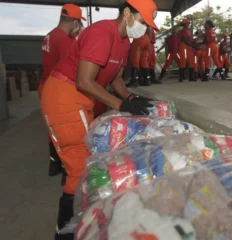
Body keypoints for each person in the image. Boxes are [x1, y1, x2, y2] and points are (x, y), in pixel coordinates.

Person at [40, 1, 158, 239]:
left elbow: (114, 79)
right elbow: (84, 81)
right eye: (143, 21)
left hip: (83, 100)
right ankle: (65, 231)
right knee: (81, 169)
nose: (144, 28)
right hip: (65, 97)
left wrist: (131, 96)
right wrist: (122, 105)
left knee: (92, 160)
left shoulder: (124, 41)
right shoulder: (102, 33)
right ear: (127, 13)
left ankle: (87, 222)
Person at [39, 3, 85, 181]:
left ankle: (54, 164)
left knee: (53, 129)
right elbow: (74, 68)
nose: (79, 26)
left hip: (45, 86)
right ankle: (69, 173)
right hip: (58, 88)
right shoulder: (65, 41)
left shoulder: (50, 36)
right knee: (67, 132)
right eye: (79, 22)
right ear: (73, 21)